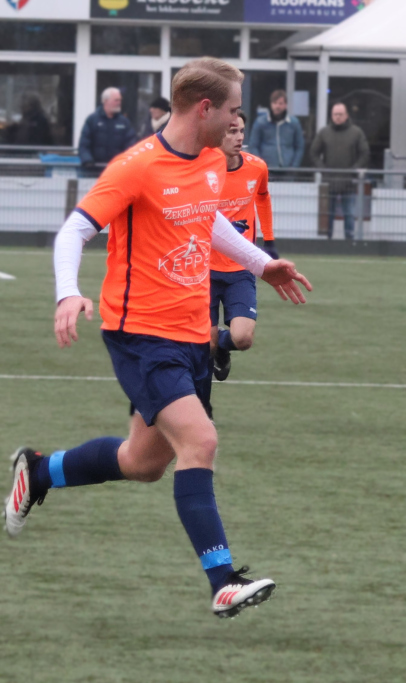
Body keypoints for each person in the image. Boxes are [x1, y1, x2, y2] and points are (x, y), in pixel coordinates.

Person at [7, 57, 312, 619]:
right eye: (233, 110)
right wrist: (67, 293)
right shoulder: (137, 166)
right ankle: (223, 581)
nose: (238, 121)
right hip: (141, 336)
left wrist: (259, 263)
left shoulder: (212, 161)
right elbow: (74, 231)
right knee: (201, 442)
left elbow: (207, 220)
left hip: (193, 334)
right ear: (205, 109)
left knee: (143, 462)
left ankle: (40, 471)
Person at [205, 111, 276, 390]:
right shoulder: (202, 171)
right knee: (205, 345)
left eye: (241, 131)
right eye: (231, 131)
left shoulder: (257, 167)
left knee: (243, 338)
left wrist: (269, 242)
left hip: (240, 269)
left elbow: (263, 197)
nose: (239, 137)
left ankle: (224, 345)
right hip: (205, 270)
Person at [310, 101, 370, 240]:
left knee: (349, 214)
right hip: (329, 181)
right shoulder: (324, 133)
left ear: (346, 115)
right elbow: (313, 152)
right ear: (331, 115)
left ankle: (349, 242)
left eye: (340, 114)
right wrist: (323, 169)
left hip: (349, 181)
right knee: (328, 214)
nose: (337, 117)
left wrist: (354, 170)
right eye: (335, 114)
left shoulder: (356, 132)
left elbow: (365, 153)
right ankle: (328, 241)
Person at [79, 87, 137, 170]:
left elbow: (131, 144)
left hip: (117, 170)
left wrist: (127, 162)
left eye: (120, 100)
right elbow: (84, 145)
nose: (119, 103)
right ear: (105, 101)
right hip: (94, 171)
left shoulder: (124, 122)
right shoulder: (92, 120)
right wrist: (87, 161)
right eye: (116, 100)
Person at [248, 89, 305, 168]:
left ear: (285, 105)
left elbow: (299, 146)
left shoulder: (294, 123)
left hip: (289, 169)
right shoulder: (260, 122)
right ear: (271, 104)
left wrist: (294, 166)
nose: (277, 106)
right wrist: (260, 165)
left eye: (280, 103)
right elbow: (253, 146)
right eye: (275, 103)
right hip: (267, 168)